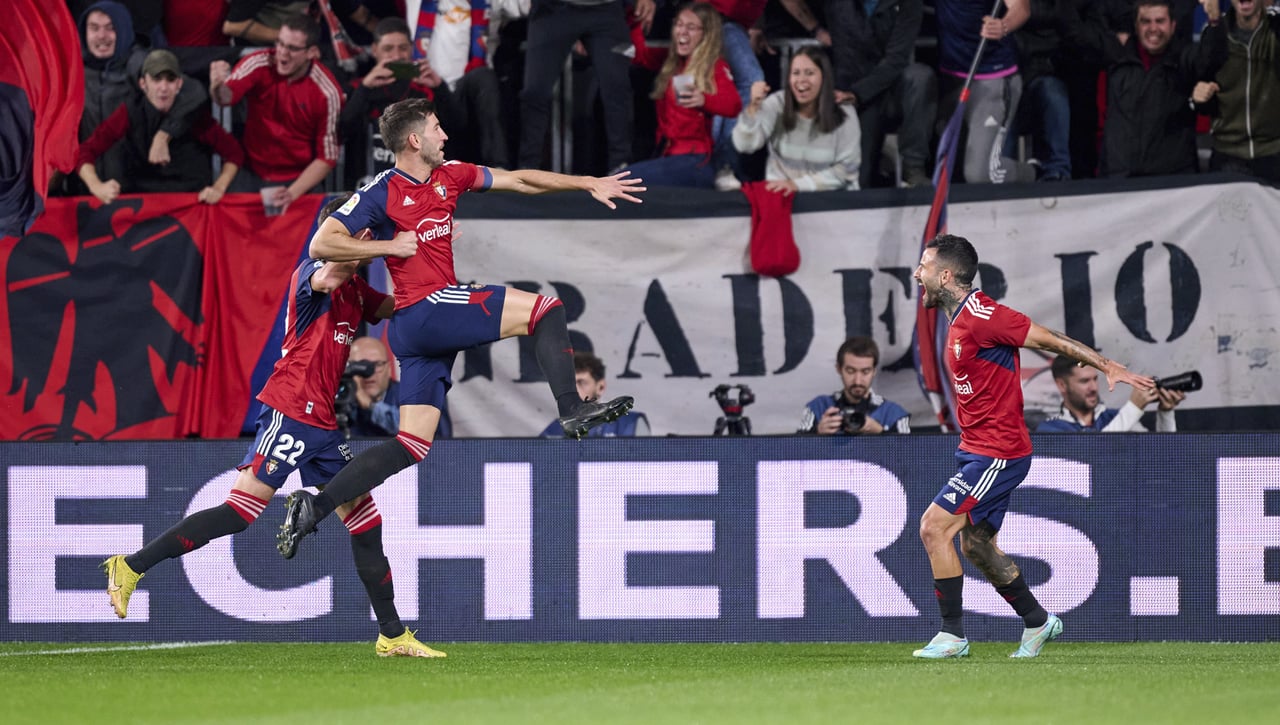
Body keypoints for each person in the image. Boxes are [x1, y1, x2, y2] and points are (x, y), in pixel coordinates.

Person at [274, 97, 644, 558]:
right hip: (429, 308)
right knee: (546, 309)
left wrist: (586, 182)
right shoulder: (382, 190)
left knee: (411, 444)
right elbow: (321, 242)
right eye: (435, 128)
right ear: (414, 140)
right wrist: (391, 247)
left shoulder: (452, 174)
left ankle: (315, 507)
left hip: (413, 331)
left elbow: (520, 179)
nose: (444, 135)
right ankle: (571, 407)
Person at [102, 196, 445, 658]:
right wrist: (385, 246)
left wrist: (443, 288)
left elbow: (399, 309)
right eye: (357, 230)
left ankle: (391, 634)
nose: (366, 236)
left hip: (321, 424)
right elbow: (333, 271)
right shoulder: (312, 270)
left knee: (366, 523)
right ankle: (130, 566)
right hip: (289, 408)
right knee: (239, 514)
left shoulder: (357, 290)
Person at [910, 233, 1154, 659]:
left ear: (945, 275)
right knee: (976, 545)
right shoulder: (960, 320)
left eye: (924, 267)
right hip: (978, 449)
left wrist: (1105, 364)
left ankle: (952, 635)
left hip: (998, 452)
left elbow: (1050, 340)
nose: (918, 274)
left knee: (934, 527)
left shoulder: (984, 315)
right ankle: (1039, 622)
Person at [1065, 0, 1225, 177]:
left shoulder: (1184, 59)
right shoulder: (1117, 54)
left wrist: (1214, 22)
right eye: (1146, 21)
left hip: (1172, 181)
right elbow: (1076, 33)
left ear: (1173, 25)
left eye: (1160, 21)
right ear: (1136, 26)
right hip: (1119, 178)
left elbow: (1212, 59)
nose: (1153, 29)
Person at [76, 49, 244, 204]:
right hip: (144, 204)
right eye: (156, 80)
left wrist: (218, 188)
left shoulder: (194, 115)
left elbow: (234, 153)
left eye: (170, 80)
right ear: (143, 84)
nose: (163, 88)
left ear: (179, 84)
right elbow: (85, 152)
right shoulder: (129, 112)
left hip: (190, 203)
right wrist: (96, 186)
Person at [209, 13, 344, 205]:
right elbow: (225, 98)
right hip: (251, 171)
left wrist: (291, 193)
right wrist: (217, 87)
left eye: (292, 48)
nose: (282, 52)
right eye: (279, 43)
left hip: (299, 179)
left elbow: (328, 157)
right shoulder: (259, 63)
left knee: (311, 233)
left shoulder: (327, 92)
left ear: (312, 52)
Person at [78, 1, 206, 191]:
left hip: (131, 189)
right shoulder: (74, 68)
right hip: (86, 187)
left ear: (123, 29)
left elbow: (192, 90)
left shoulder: (138, 62)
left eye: (110, 28)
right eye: (94, 28)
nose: (101, 36)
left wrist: (164, 135)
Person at [626, 2, 744, 188]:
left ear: (706, 35)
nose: (682, 32)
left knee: (622, 181)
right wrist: (636, 18)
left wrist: (705, 100)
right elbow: (639, 55)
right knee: (621, 180)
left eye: (691, 28)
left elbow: (734, 105)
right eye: (679, 25)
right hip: (668, 156)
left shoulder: (714, 67)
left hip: (694, 160)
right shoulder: (671, 62)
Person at [517, 0, 643, 173]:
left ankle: (621, 165)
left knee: (617, 87)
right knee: (535, 91)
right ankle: (528, 166)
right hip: (552, 10)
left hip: (606, 9)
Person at [825, 0, 937, 189]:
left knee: (920, 76)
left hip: (886, 90)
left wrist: (857, 93)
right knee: (859, 181)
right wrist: (814, 28)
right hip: (849, 90)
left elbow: (896, 59)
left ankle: (913, 168)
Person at [732, 46, 861, 193]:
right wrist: (753, 108)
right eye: (796, 73)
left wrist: (797, 185)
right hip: (783, 199)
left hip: (831, 203)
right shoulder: (777, 103)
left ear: (824, 77)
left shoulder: (845, 111)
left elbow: (847, 171)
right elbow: (744, 146)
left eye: (810, 73)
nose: (801, 80)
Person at [934, 0, 1030, 184]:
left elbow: (1021, 7)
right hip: (951, 82)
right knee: (949, 172)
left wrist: (1003, 26)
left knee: (980, 174)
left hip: (992, 80)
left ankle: (1035, 174)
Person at [405, 2, 511, 168]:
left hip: (468, 96)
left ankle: (497, 168)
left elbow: (526, 6)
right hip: (427, 90)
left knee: (484, 77)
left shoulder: (490, 4)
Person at [1192, 0, 1280, 183]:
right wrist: (1200, 97)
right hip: (1227, 155)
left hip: (1273, 152)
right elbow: (1201, 91)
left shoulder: (1275, 27)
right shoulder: (1214, 31)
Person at [1036, 354, 1183, 432]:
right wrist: (1134, 407)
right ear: (1062, 385)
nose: (1093, 387)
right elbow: (1091, 455)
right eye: (1084, 381)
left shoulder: (1116, 417)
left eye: (1095, 379)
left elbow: (1162, 453)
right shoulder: (1051, 429)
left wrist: (1166, 413)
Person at [798, 336, 910, 435]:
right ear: (839, 369)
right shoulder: (818, 407)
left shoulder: (894, 414)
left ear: (874, 371)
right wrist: (816, 434)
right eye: (851, 371)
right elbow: (793, 453)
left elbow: (911, 456)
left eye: (865, 372)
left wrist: (880, 433)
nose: (858, 381)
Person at [539, 351, 651, 437]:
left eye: (581, 382)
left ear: (601, 387)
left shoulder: (630, 423)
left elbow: (648, 464)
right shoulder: (554, 430)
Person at [346, 335, 401, 438]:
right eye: (362, 365)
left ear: (388, 369)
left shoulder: (409, 395)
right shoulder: (341, 396)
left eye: (377, 365)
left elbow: (412, 431)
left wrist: (370, 405)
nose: (369, 373)